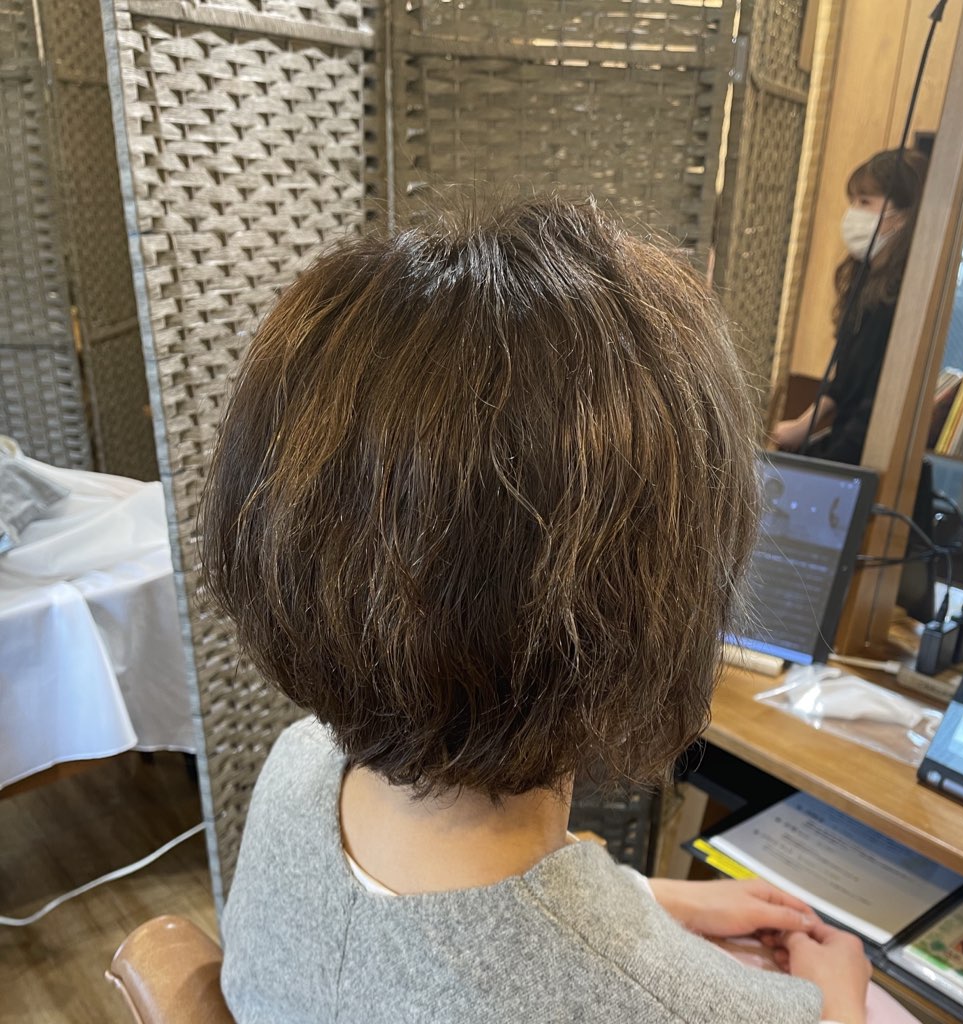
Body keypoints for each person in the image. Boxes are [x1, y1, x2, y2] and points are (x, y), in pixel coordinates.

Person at [201, 196, 873, 1024]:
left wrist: (646, 902)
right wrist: (841, 999)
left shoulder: (295, 769)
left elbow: (462, 925)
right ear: (651, 604)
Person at [772, 149, 929, 464]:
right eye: (854, 201)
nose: (853, 213)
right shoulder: (867, 285)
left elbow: (874, 403)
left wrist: (828, 464)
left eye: (865, 202)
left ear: (902, 215)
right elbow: (846, 379)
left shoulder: (903, 301)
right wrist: (802, 426)